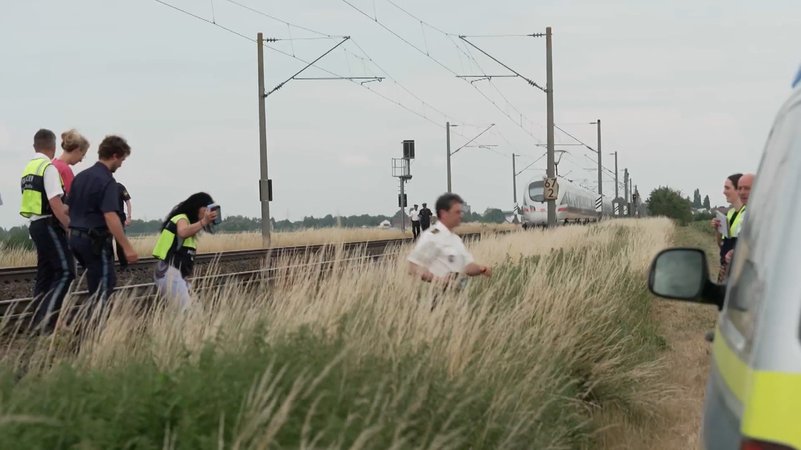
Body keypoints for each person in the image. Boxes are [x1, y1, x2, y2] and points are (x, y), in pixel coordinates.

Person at [68, 135, 138, 305]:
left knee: (95, 283)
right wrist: (127, 247)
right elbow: (110, 216)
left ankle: (92, 316)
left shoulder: (80, 177)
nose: (121, 164)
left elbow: (68, 208)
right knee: (104, 287)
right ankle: (98, 321)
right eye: (122, 159)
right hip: (94, 241)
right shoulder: (107, 181)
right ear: (115, 156)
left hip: (75, 240)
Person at [19, 129, 74, 332]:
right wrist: (69, 226)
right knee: (66, 271)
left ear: (35, 146)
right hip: (49, 225)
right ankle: (47, 321)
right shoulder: (48, 168)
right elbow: (54, 202)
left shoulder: (28, 169)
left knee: (46, 274)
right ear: (53, 147)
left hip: (35, 225)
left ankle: (36, 324)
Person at [408, 193, 491, 303]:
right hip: (438, 297)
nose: (460, 216)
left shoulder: (455, 239)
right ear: (444, 213)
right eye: (457, 212)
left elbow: (467, 266)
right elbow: (414, 267)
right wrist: (439, 280)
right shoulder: (433, 237)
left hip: (457, 298)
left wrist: (481, 269)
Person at [151, 192, 218, 310]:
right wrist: (203, 222)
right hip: (168, 271)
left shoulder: (191, 225)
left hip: (176, 273)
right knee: (187, 312)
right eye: (207, 209)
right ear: (198, 207)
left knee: (196, 310)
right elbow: (183, 232)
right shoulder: (182, 218)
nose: (208, 213)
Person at [710, 173, 743, 283]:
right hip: (725, 269)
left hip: (736, 273)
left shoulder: (747, 214)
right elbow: (722, 245)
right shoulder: (730, 213)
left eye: (727, 188)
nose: (724, 192)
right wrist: (717, 230)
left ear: (738, 190)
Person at [51, 129, 90, 196]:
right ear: (77, 150)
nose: (81, 160)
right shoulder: (65, 170)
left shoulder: (52, 164)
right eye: (83, 155)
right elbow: (73, 196)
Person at [115, 182, 132, 270]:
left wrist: (129, 217)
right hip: (106, 219)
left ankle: (123, 264)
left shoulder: (120, 187)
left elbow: (128, 201)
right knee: (106, 243)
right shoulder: (103, 187)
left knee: (120, 243)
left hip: (119, 218)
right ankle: (109, 264)